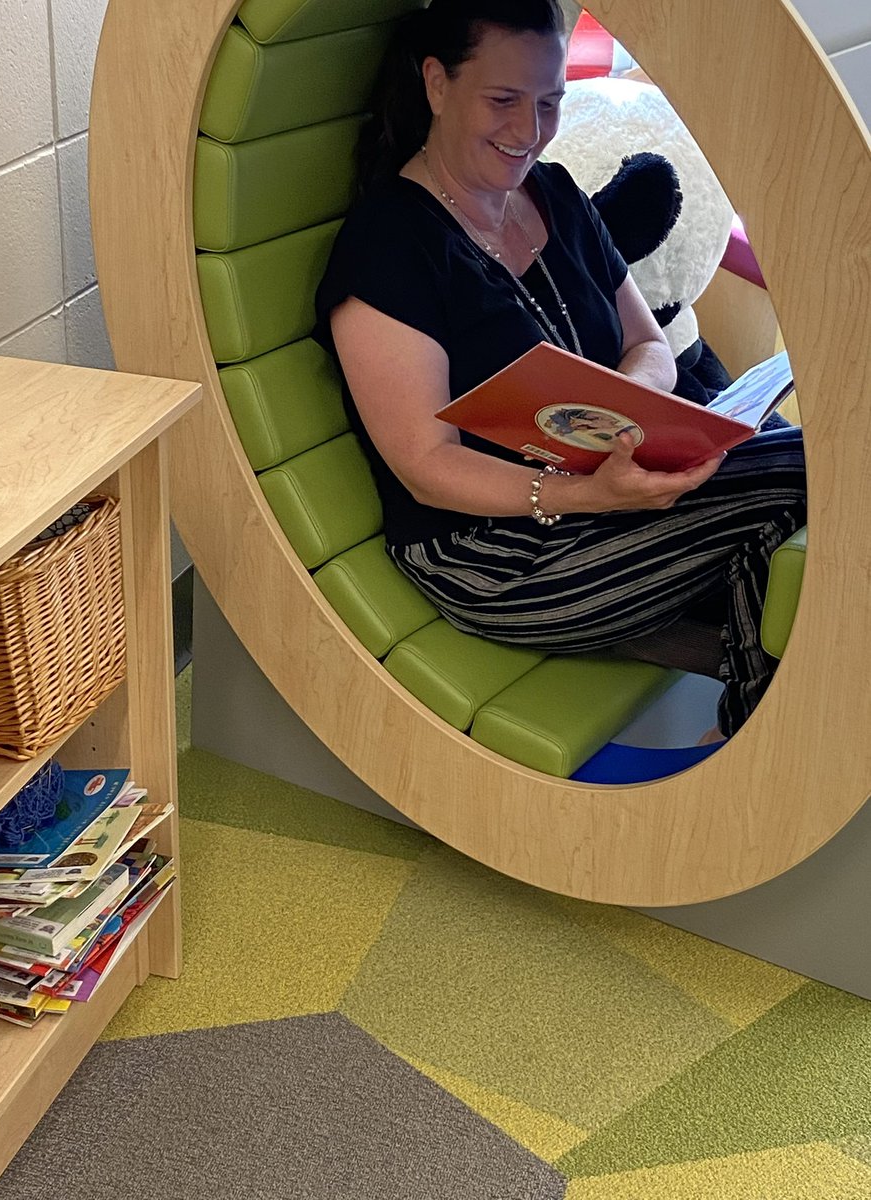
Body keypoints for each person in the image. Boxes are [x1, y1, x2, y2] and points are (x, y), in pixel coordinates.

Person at [313, 0, 806, 739]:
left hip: (607, 497)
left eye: (549, 103)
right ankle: (764, 755)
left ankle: (761, 728)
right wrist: (587, 492)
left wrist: (633, 409)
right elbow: (425, 466)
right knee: (798, 477)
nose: (529, 130)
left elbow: (649, 344)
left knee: (797, 472)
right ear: (437, 83)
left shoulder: (558, 195)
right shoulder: (390, 244)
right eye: (503, 100)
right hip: (491, 552)